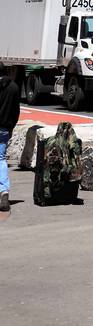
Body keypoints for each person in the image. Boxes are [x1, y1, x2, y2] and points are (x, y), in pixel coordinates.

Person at [33, 122, 83, 206]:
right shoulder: (76, 143)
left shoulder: (51, 142)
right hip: (70, 180)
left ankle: (48, 197)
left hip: (54, 181)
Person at [0, 61, 21, 214]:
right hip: (4, 129)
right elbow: (16, 112)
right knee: (1, 159)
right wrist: (11, 127)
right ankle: (3, 190)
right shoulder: (14, 87)